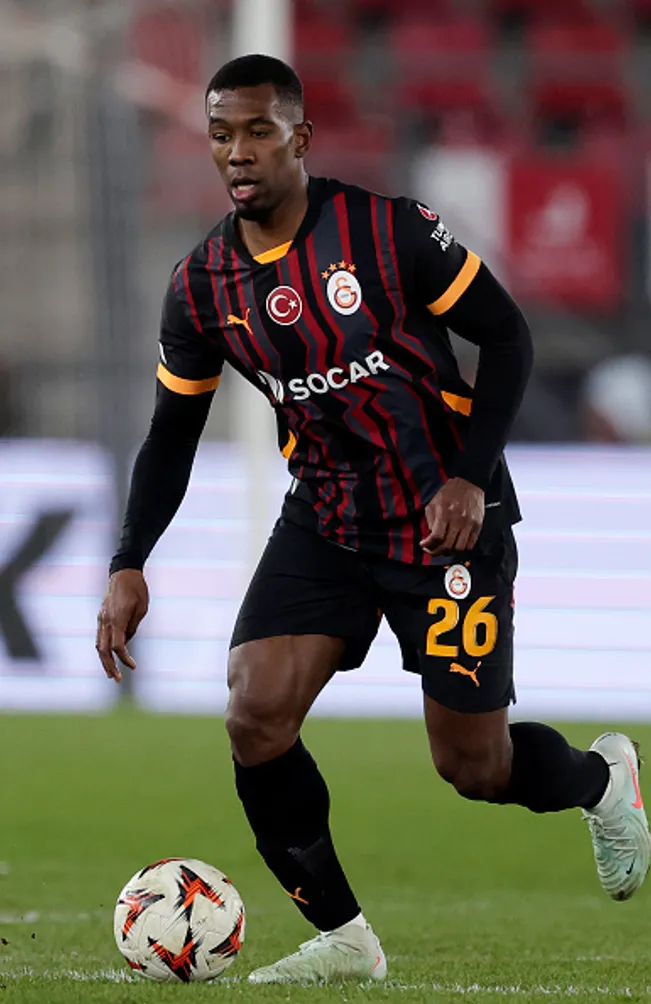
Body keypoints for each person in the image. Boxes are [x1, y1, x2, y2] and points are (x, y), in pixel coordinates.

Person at [96, 55, 650, 984]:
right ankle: (345, 938)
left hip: (445, 525)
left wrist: (469, 479)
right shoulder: (201, 287)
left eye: (258, 131)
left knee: (473, 765)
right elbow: (169, 435)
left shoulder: (386, 233)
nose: (238, 153)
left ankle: (600, 782)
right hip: (327, 518)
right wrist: (128, 559)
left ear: (300, 139)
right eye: (222, 134)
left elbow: (506, 335)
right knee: (254, 714)